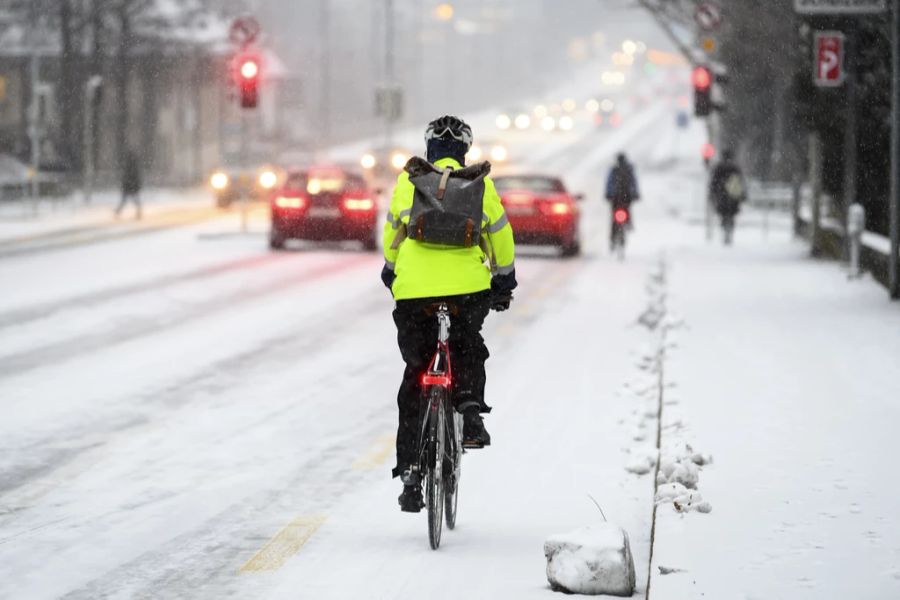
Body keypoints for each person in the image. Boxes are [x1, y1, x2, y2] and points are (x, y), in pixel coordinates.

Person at [381, 115, 516, 513]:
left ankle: (409, 471)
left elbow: (393, 232)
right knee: (467, 344)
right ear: (465, 150)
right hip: (467, 288)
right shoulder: (479, 182)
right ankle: (470, 412)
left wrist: (392, 269)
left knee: (415, 372)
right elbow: (500, 235)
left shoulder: (409, 181)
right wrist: (504, 281)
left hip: (415, 291)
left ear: (429, 149)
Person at [709, 149, 746, 245]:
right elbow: (740, 182)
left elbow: (713, 182)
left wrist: (712, 194)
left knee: (724, 214)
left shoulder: (719, 167)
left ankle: (725, 230)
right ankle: (729, 231)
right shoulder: (735, 168)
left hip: (722, 196)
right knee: (731, 215)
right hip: (733, 196)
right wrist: (742, 195)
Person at [604, 153, 640, 245]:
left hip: (615, 197)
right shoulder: (628, 169)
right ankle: (628, 223)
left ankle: (613, 238)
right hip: (626, 196)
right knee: (626, 210)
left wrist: (608, 194)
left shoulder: (614, 169)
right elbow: (633, 182)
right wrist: (635, 194)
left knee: (614, 218)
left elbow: (609, 182)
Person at [115, 150, 142, 220]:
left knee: (124, 201)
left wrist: (125, 184)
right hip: (131, 186)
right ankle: (138, 212)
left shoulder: (128, 166)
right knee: (134, 201)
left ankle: (118, 211)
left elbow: (126, 177)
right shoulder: (134, 166)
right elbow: (136, 177)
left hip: (128, 186)